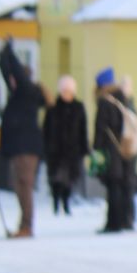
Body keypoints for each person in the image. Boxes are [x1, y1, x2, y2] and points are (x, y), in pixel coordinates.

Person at [0, 42, 45, 237]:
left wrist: (11, 54)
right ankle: (23, 225)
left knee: (24, 186)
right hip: (18, 147)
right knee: (19, 187)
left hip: (26, 148)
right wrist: (3, 57)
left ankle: (27, 226)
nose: (12, 82)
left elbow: (17, 74)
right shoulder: (18, 94)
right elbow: (8, 74)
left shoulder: (27, 91)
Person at [94, 67, 137, 232]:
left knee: (113, 186)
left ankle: (113, 223)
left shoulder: (105, 102)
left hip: (110, 150)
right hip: (125, 148)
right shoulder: (123, 99)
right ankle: (125, 220)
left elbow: (101, 128)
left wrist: (96, 148)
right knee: (121, 185)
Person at [42, 75, 89, 216]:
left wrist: (84, 147)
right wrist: (46, 147)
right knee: (56, 178)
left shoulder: (78, 108)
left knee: (69, 179)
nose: (66, 94)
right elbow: (46, 129)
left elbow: (83, 129)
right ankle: (56, 202)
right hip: (55, 150)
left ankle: (66, 203)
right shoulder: (53, 108)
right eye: (64, 91)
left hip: (72, 150)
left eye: (69, 91)